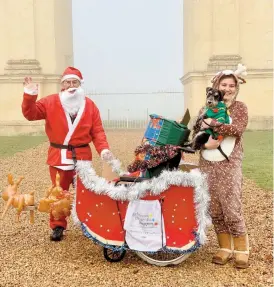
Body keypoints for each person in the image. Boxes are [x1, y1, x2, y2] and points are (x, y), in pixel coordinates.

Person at [22, 66, 115, 242]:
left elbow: (98, 131)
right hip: (59, 157)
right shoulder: (50, 102)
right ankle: (57, 225)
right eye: (67, 82)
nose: (71, 85)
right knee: (58, 193)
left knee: (86, 191)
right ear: (62, 85)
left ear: (80, 85)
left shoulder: (90, 105)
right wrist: (30, 94)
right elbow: (30, 113)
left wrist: (103, 149)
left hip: (82, 156)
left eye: (75, 82)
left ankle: (89, 223)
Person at [192, 64, 249, 269]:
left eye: (231, 85)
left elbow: (237, 129)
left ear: (236, 87)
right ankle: (224, 247)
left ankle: (242, 249)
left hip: (229, 163)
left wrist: (212, 124)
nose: (227, 88)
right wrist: (205, 143)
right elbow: (195, 133)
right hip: (207, 161)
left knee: (231, 206)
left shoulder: (239, 108)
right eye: (223, 84)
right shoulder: (204, 109)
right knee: (214, 207)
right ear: (216, 86)